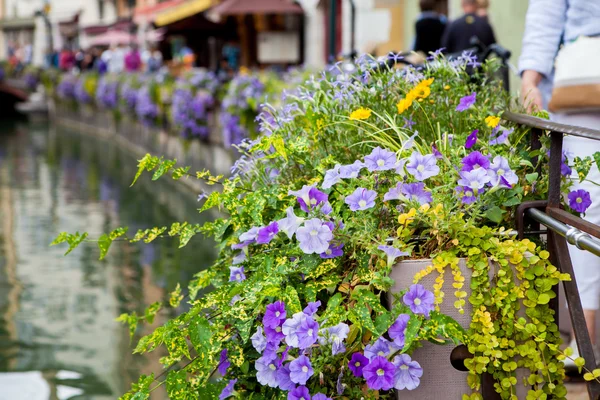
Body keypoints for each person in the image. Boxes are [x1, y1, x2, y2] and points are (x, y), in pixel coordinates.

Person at [519, 0, 600, 369]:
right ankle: (589, 338)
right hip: (583, 93)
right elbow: (546, 15)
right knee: (588, 208)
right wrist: (529, 80)